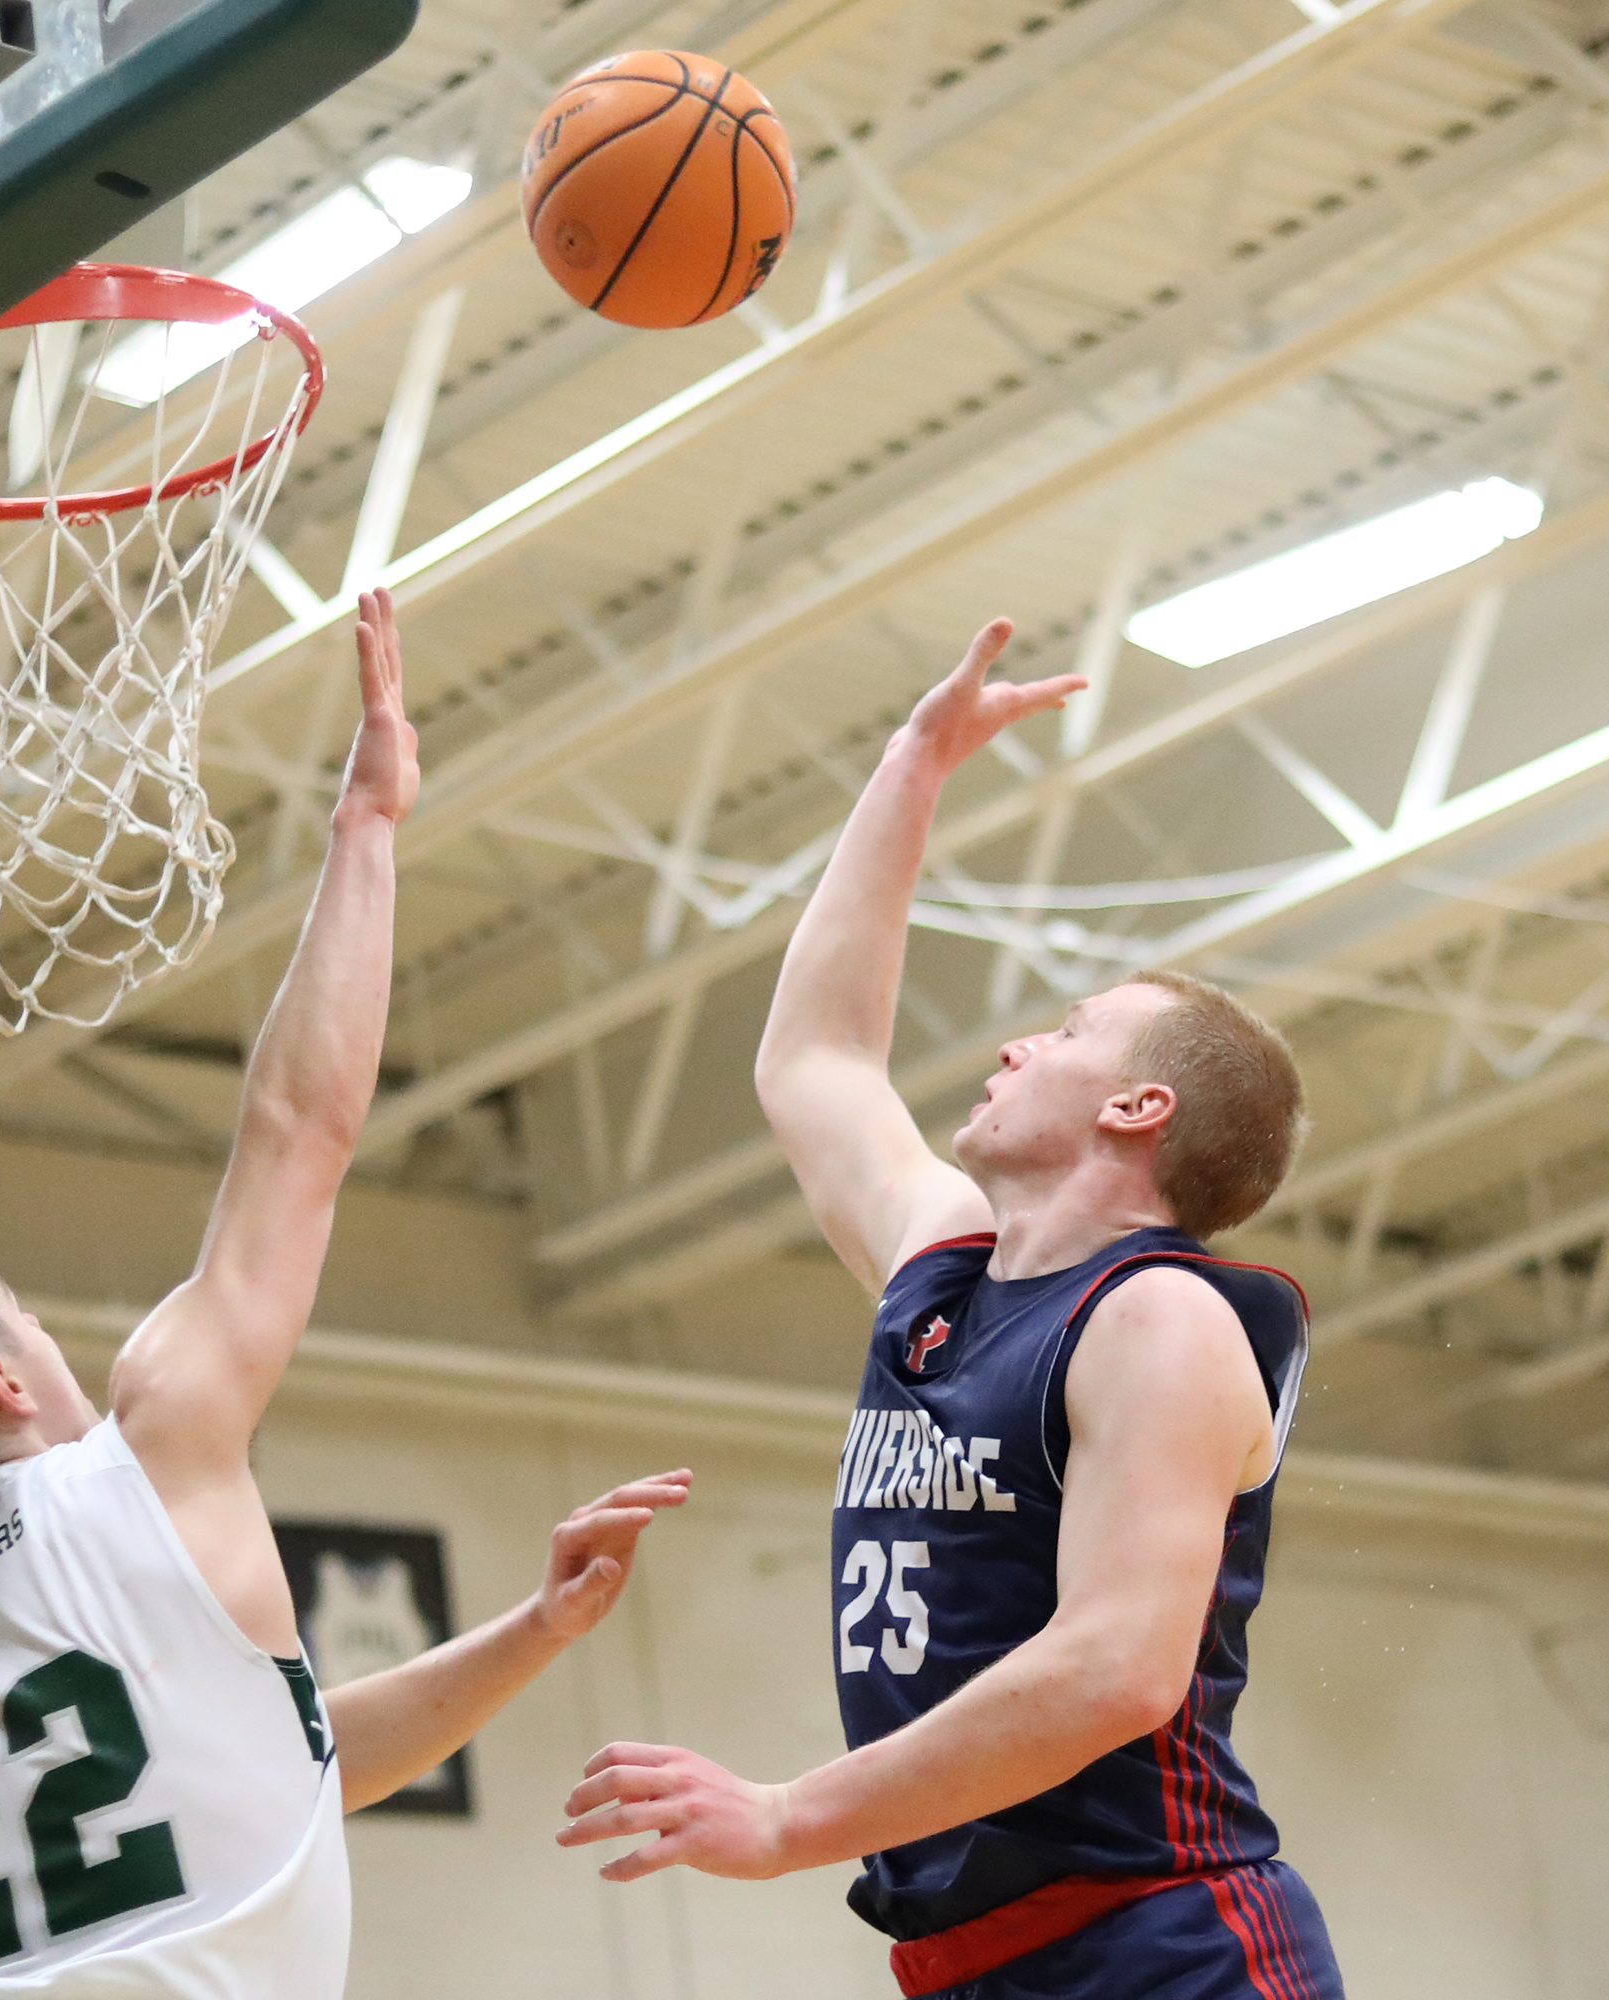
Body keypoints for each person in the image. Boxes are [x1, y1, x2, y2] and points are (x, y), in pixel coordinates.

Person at [0, 589, 690, 1998]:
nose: (51, 1338)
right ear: (2, 1379)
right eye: (26, 1319)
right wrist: (367, 828)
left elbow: (283, 1771)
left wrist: (533, 1632)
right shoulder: (147, 1458)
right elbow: (298, 1133)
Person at [557, 619, 1343, 2000]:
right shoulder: (946, 1267)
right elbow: (816, 1057)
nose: (1020, 1042)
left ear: (1136, 1106)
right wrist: (911, 770)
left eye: (1069, 1031)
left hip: (1163, 1942)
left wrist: (788, 1817)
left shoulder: (1160, 1321)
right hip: (969, 1960)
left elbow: (1115, 1671)